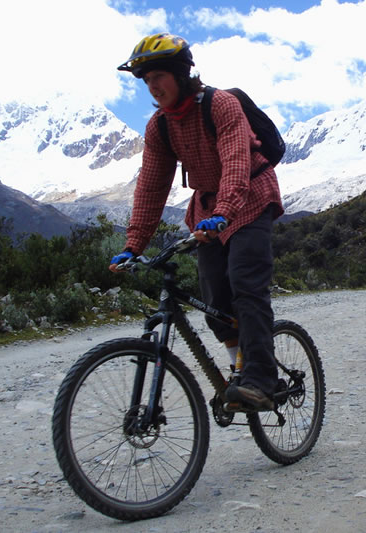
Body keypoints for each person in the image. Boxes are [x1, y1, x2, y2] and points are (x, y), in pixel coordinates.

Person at [110, 33, 283, 411]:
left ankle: (261, 381)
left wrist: (225, 210)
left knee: (245, 283)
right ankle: (240, 369)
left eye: (158, 76)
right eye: (146, 81)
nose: (152, 87)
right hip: (209, 210)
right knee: (214, 299)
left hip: (250, 197)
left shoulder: (220, 104)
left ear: (179, 72)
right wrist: (132, 246)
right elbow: (152, 187)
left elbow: (237, 162)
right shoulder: (160, 126)